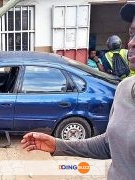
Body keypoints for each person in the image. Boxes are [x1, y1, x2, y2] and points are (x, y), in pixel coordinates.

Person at [21, 3, 135, 179]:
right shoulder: (124, 89)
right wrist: (58, 145)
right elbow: (109, 145)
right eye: (132, 33)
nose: (132, 43)